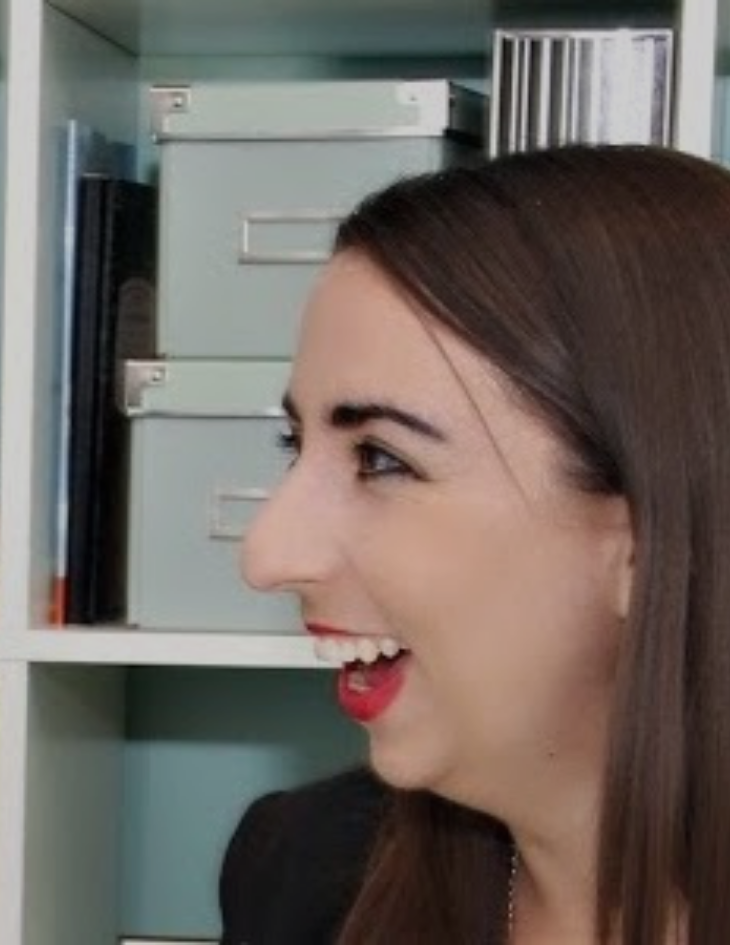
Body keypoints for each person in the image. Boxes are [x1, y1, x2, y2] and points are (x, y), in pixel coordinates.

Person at [220, 144, 730, 945]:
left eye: (381, 459)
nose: (267, 554)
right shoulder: (300, 872)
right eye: (295, 444)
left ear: (645, 538)